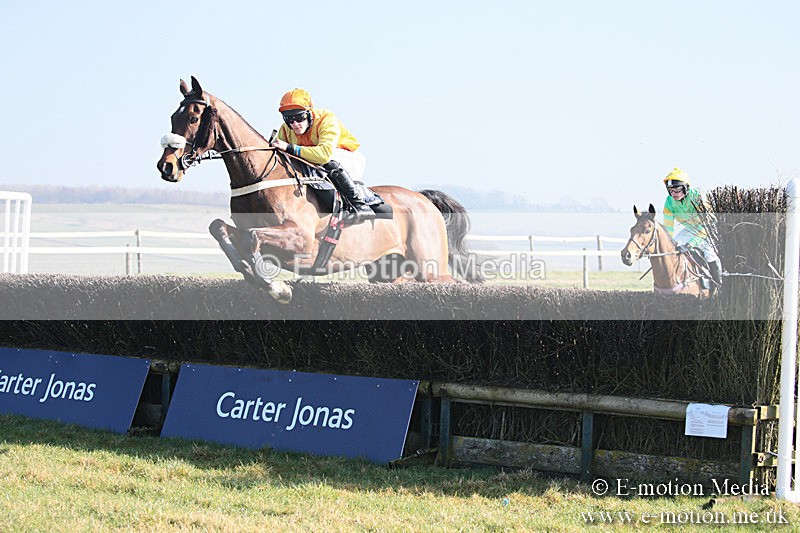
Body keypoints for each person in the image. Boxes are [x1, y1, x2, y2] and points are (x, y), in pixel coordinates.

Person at [269, 88, 375, 223]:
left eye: (299, 117)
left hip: (347, 158)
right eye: (289, 119)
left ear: (309, 113)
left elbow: (324, 155)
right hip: (316, 163)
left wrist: (289, 147)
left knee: (329, 161)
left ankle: (359, 205)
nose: (295, 124)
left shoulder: (326, 119)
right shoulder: (285, 129)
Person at [662, 167, 723, 290]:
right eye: (670, 190)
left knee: (710, 254)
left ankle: (719, 286)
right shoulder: (669, 202)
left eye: (677, 190)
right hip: (691, 229)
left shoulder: (698, 199)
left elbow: (705, 227)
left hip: (709, 229)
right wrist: (668, 243)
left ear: (685, 188)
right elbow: (668, 227)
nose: (673, 194)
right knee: (675, 247)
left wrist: (690, 245)